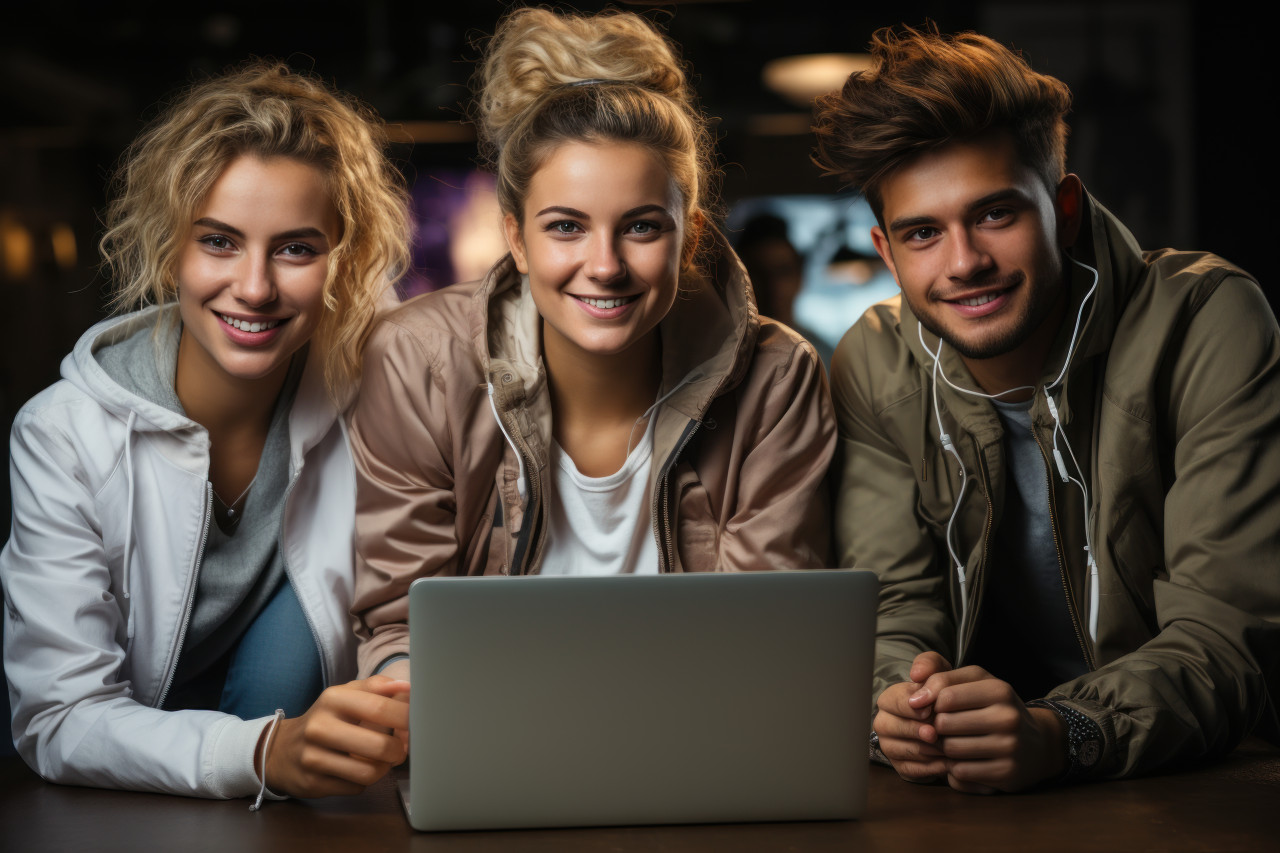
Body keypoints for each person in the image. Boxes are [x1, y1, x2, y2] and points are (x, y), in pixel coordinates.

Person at [811, 26, 1279, 792]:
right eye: (923, 233)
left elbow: (1232, 632)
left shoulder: (1207, 318)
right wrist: (894, 704)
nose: (964, 263)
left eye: (995, 214)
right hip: (974, 783)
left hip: (1205, 775)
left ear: (1062, 206)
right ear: (886, 253)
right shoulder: (874, 359)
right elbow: (892, 608)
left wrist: (1064, 730)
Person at [350, 6, 835, 682]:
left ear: (689, 237)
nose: (604, 266)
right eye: (566, 227)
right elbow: (400, 623)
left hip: (697, 753)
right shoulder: (416, 360)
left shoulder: (778, 376)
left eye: (640, 227)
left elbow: (766, 641)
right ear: (516, 238)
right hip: (492, 747)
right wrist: (414, 709)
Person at [1, 63, 413, 802]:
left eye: (295, 248)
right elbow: (59, 719)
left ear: (340, 262)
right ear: (170, 249)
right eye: (219, 241)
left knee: (296, 632)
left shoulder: (374, 393)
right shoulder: (62, 432)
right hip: (108, 789)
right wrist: (261, 751)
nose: (254, 286)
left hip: (285, 773)